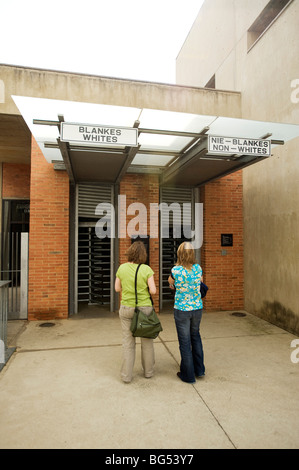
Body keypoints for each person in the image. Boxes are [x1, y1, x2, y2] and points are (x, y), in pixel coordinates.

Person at [115, 241, 157, 383]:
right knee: (147, 342)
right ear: (143, 255)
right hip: (144, 309)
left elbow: (116, 288)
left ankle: (126, 376)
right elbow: (153, 291)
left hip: (126, 308)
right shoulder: (146, 269)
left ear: (130, 252)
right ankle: (148, 372)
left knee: (128, 342)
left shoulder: (122, 268)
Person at [168, 242, 205, 384]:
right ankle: (199, 370)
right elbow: (200, 283)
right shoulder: (198, 268)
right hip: (197, 308)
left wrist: (174, 285)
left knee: (185, 342)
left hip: (182, 310)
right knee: (195, 337)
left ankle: (188, 375)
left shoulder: (175, 270)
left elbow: (171, 285)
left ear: (180, 254)